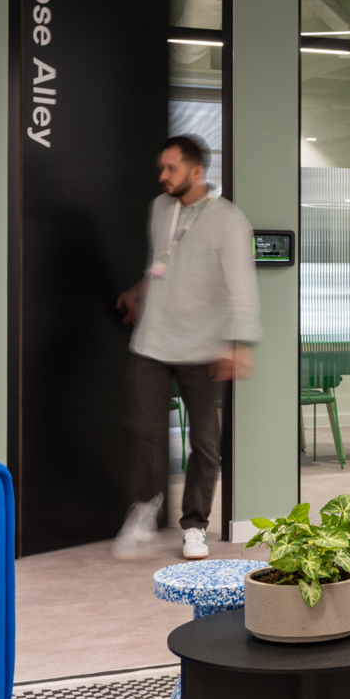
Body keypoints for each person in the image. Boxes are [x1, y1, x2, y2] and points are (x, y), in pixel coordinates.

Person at [113, 133, 259, 560]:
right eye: (161, 167)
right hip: (154, 340)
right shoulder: (159, 209)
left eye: (170, 169)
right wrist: (138, 293)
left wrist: (241, 343)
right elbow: (162, 262)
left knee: (205, 444)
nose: (162, 176)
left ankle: (195, 525)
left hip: (204, 347)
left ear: (197, 172)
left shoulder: (229, 221)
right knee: (141, 429)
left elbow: (242, 287)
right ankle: (144, 506)